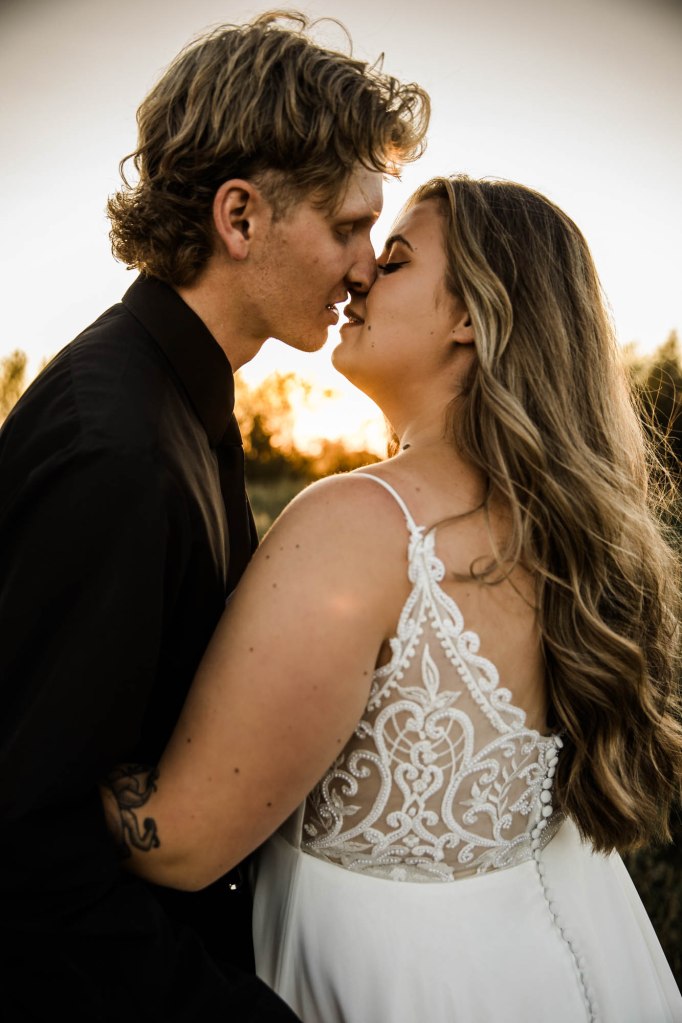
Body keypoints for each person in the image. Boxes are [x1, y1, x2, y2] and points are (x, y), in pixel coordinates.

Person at [101, 174, 682, 1023]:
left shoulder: (360, 527)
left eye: (398, 258)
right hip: (566, 975)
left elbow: (178, 841)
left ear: (472, 318)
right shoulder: (568, 531)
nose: (362, 272)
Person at [0, 10, 430, 1021]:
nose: (366, 265)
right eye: (347, 225)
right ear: (239, 219)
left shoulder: (175, 398)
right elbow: (30, 853)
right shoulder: (119, 450)